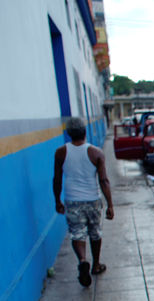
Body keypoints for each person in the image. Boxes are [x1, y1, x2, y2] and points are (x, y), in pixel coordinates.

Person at [53, 117, 115, 287]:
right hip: (93, 199)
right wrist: (110, 204)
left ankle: (82, 260)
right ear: (85, 132)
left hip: (73, 200)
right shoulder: (96, 153)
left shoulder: (61, 152)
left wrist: (57, 200)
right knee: (95, 232)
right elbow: (104, 181)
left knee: (77, 233)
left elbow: (57, 179)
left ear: (69, 134)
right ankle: (96, 265)